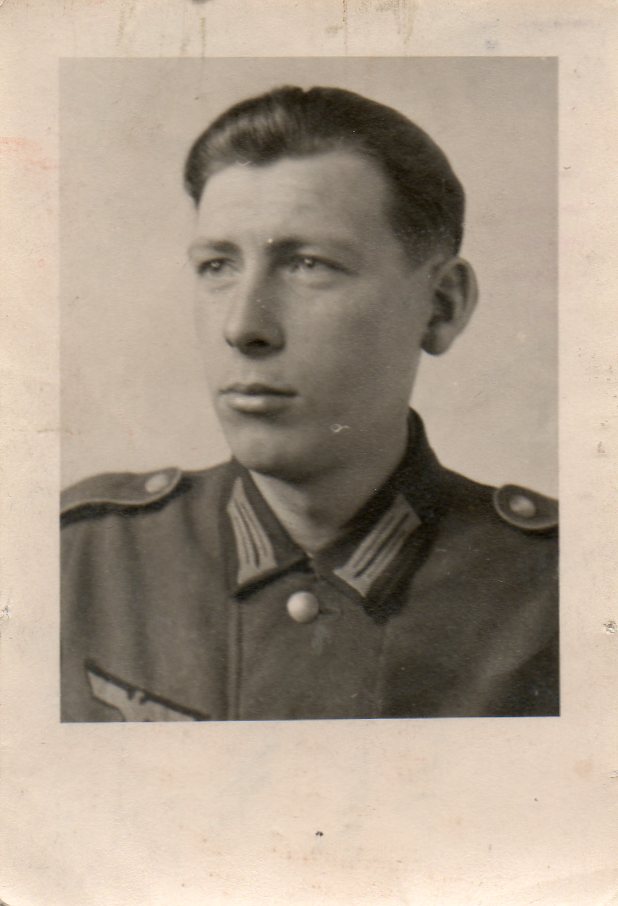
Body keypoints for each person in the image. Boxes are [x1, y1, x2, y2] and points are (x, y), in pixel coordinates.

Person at [61, 85, 558, 722]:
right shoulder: (78, 561)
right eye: (217, 265)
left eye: (308, 264)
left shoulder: (564, 590)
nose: (243, 327)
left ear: (442, 306)